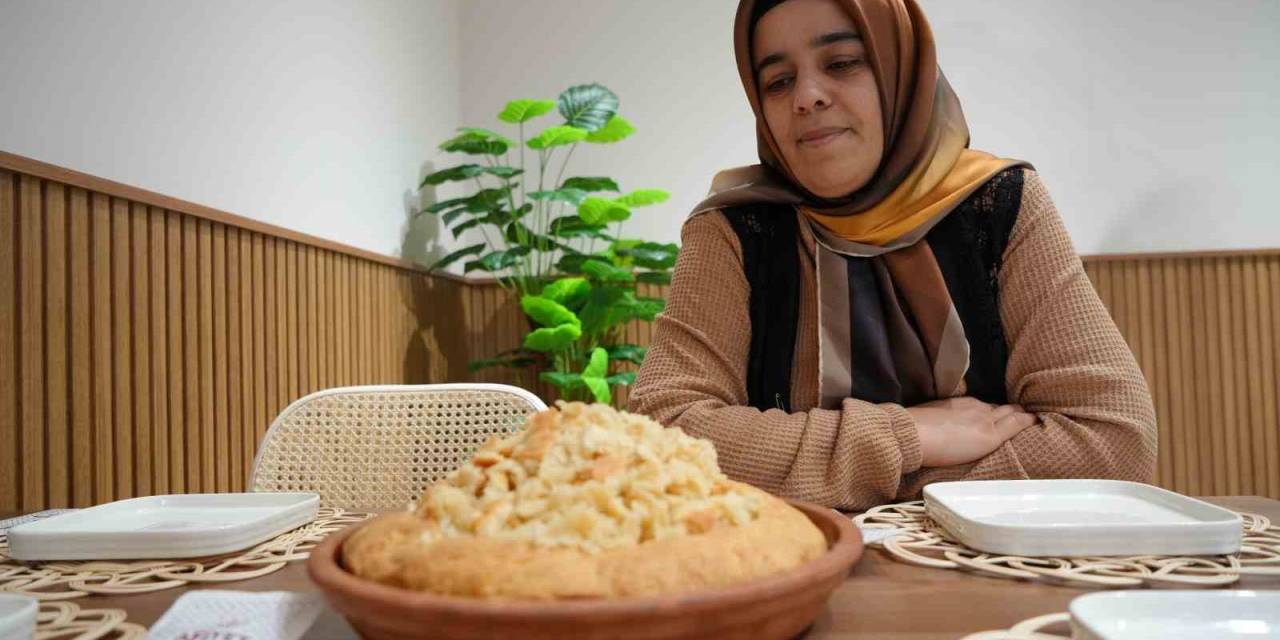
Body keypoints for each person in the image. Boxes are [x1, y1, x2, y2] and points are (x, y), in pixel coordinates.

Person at [627, 0, 1157, 510]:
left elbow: (1113, 442)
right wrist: (912, 437)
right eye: (778, 81)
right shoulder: (736, 229)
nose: (807, 97)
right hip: (791, 572)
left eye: (842, 63)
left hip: (991, 581)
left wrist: (802, 473)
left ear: (899, 68)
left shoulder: (999, 204)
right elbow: (663, 435)